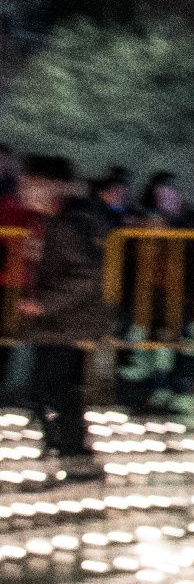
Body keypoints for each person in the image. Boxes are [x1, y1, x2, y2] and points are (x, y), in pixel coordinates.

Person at [17, 156, 112, 478]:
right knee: (54, 390)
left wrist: (44, 303)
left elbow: (91, 274)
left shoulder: (67, 225)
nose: (26, 190)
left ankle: (73, 457)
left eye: (33, 183)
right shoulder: (51, 222)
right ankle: (69, 455)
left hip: (65, 322)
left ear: (56, 186)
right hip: (57, 323)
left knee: (50, 390)